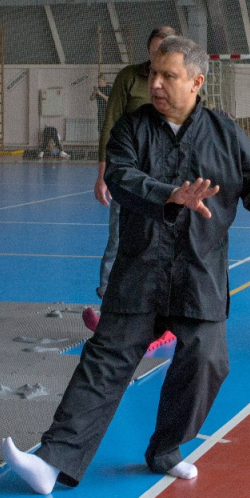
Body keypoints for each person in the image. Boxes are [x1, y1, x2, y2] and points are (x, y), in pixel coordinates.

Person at [1, 35, 250, 494]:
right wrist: (169, 194)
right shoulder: (131, 127)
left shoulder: (226, 134)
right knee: (105, 362)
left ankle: (166, 448)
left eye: (168, 76)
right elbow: (121, 177)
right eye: (153, 74)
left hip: (199, 271)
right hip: (140, 269)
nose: (155, 84)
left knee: (208, 360)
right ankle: (52, 461)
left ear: (196, 82)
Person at [93, 26, 176, 300]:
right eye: (154, 51)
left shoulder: (181, 82)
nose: (158, 56)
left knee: (166, 237)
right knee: (119, 236)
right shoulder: (129, 77)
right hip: (128, 173)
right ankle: (108, 296)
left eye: (164, 50)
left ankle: (161, 298)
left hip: (166, 175)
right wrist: (103, 173)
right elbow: (110, 123)